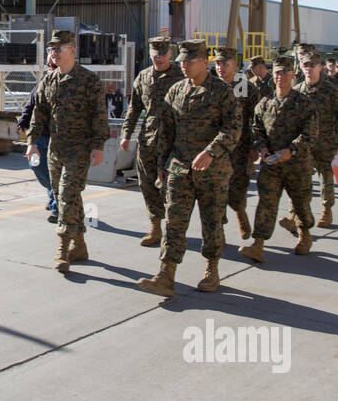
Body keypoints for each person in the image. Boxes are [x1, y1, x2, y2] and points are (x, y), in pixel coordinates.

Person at [136, 42, 240, 296]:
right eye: (181, 61)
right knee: (174, 223)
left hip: (212, 171)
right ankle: (166, 275)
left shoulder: (222, 92)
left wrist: (210, 151)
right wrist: (162, 164)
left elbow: (233, 129)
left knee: (212, 222)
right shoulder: (176, 91)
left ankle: (211, 270)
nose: (183, 65)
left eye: (189, 61)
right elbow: (167, 131)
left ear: (204, 62)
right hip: (179, 169)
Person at [26, 30, 108, 273]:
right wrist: (31, 142)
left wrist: (98, 145)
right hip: (55, 149)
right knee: (69, 197)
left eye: (58, 48)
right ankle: (80, 244)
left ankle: (62, 248)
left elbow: (99, 115)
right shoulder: (48, 81)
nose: (54, 53)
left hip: (79, 149)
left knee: (65, 195)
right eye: (51, 49)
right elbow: (38, 113)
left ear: (72, 50)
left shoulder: (88, 80)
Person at [239, 56, 318, 264]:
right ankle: (258, 244)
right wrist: (262, 148)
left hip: (297, 165)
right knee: (266, 203)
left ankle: (304, 234)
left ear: (293, 75)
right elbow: (256, 130)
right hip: (272, 165)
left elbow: (310, 133)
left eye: (284, 73)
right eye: (277, 73)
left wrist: (292, 149)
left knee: (301, 204)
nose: (280, 77)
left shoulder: (304, 104)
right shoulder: (265, 104)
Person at [120, 36, 183, 247]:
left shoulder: (181, 75)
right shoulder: (143, 77)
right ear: (150, 55)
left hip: (174, 141)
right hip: (148, 139)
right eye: (155, 55)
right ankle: (155, 227)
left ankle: (174, 232)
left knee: (172, 188)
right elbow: (134, 108)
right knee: (147, 184)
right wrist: (126, 134)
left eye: (163, 55)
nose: (159, 59)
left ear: (170, 54)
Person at [282, 52, 338, 231]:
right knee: (298, 179)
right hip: (304, 145)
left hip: (326, 142)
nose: (309, 69)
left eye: (313, 65)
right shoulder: (297, 91)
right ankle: (294, 214)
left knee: (325, 178)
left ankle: (326, 210)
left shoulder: (330, 90)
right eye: (306, 65)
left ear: (321, 68)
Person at [215, 47, 259, 241]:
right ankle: (219, 229)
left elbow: (257, 121)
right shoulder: (209, 86)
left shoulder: (246, 88)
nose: (221, 67)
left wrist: (255, 147)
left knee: (238, 188)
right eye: (217, 63)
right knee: (216, 191)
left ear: (235, 65)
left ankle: (240, 212)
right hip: (216, 148)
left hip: (240, 148)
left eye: (225, 64)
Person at [17, 61, 58, 222]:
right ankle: (53, 192)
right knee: (36, 165)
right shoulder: (43, 82)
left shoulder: (70, 84)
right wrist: (23, 121)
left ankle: (57, 208)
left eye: (53, 65)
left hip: (58, 138)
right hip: (39, 136)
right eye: (48, 65)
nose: (50, 68)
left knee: (56, 172)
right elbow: (31, 103)